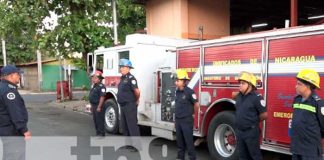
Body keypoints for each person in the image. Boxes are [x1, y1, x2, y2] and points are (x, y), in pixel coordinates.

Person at [291, 69, 324, 160]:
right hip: (296, 148)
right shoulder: (296, 100)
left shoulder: (318, 103)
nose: (295, 86)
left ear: (308, 86)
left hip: (310, 151)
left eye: (299, 84)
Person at [0, 65, 31, 160]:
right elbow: (15, 112)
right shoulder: (9, 91)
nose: (19, 76)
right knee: (16, 155)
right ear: (11, 76)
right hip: (12, 130)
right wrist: (24, 129)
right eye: (17, 74)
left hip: (5, 129)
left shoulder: (2, 87)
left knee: (10, 155)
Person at [235, 71, 267, 160]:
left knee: (255, 156)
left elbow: (264, 115)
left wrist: (252, 121)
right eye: (240, 83)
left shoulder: (257, 97)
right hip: (240, 132)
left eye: (243, 83)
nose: (240, 85)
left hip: (251, 132)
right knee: (242, 156)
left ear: (250, 85)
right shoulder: (239, 96)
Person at [174, 69, 199, 160]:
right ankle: (180, 157)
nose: (176, 82)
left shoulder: (190, 92)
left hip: (186, 121)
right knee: (179, 142)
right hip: (178, 120)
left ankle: (192, 158)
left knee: (189, 142)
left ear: (184, 82)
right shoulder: (177, 92)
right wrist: (175, 121)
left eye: (178, 80)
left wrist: (193, 114)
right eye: (176, 80)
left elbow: (196, 104)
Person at [117, 59, 141, 151]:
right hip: (123, 105)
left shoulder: (131, 78)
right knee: (125, 125)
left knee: (132, 125)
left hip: (130, 105)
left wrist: (136, 100)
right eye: (120, 67)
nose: (121, 69)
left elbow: (137, 91)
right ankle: (128, 144)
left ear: (128, 68)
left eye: (122, 67)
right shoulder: (123, 78)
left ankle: (137, 145)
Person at [89, 70, 106, 137]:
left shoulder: (101, 86)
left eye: (95, 78)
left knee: (99, 120)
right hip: (94, 105)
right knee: (95, 120)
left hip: (98, 105)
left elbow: (102, 97)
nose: (93, 79)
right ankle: (98, 133)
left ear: (99, 79)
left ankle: (101, 134)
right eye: (93, 78)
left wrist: (99, 106)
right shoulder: (95, 86)